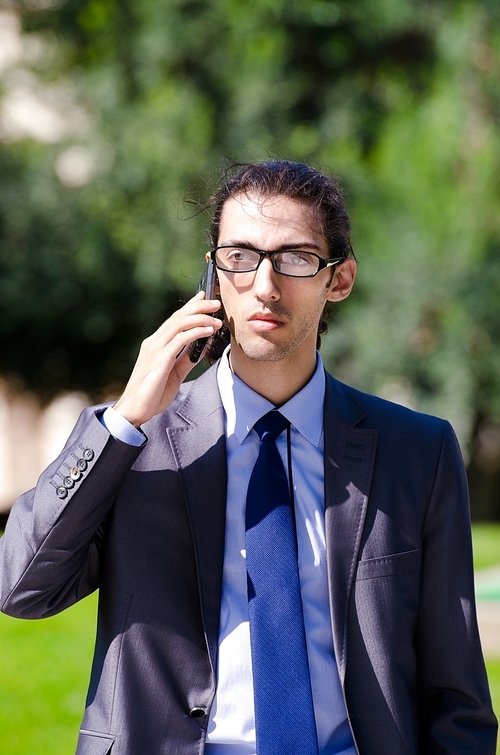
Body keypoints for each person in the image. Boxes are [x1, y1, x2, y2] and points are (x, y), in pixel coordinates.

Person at [0, 161, 496, 755]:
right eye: (239, 256)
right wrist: (126, 419)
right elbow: (23, 588)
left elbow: (457, 695)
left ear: (339, 279)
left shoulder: (417, 452)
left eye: (295, 258)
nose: (265, 284)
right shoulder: (135, 443)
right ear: (212, 274)